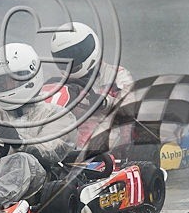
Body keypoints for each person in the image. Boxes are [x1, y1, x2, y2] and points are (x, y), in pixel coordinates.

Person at [0, 43, 76, 206]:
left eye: (12, 81)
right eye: (1, 82)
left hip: (37, 184)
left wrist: (19, 141)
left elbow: (51, 151)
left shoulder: (58, 115)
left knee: (22, 159)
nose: (6, 87)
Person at [48, 21, 135, 155]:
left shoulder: (116, 75)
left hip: (108, 141)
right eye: (64, 56)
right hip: (68, 139)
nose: (70, 60)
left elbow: (129, 110)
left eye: (74, 53)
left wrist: (104, 102)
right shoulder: (59, 84)